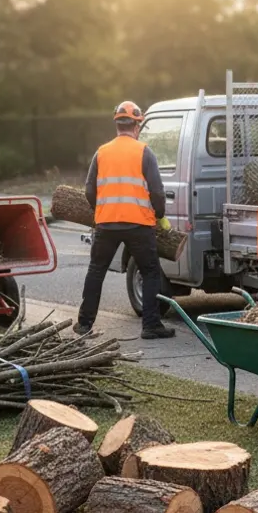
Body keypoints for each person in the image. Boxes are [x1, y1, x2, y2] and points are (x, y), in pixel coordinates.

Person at [76, 101, 176, 339]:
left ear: (117, 126)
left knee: (96, 271)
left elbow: (89, 190)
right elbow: (157, 192)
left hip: (106, 223)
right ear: (137, 126)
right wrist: (160, 215)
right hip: (139, 225)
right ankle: (151, 325)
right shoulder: (144, 152)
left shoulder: (101, 152)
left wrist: (101, 210)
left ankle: (84, 324)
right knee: (150, 272)